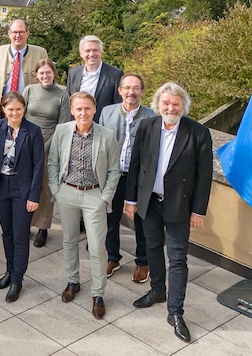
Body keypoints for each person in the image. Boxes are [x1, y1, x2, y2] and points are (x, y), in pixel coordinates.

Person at [126, 82, 212, 343]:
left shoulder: (198, 133)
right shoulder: (147, 126)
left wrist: (198, 211)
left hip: (180, 206)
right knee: (152, 248)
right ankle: (157, 291)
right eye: (166, 103)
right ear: (158, 105)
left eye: (175, 103)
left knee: (177, 259)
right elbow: (136, 163)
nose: (170, 107)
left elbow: (204, 176)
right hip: (149, 202)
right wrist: (131, 200)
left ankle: (175, 312)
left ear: (183, 106)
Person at [48, 92, 120, 319]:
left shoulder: (107, 136)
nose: (83, 113)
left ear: (94, 110)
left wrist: (105, 197)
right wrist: (56, 191)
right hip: (67, 191)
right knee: (69, 240)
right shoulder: (62, 131)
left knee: (97, 247)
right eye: (78, 109)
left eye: (87, 108)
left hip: (94, 195)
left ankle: (98, 294)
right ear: (72, 110)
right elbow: (53, 162)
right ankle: (73, 281)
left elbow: (114, 170)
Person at [0, 91, 44, 303]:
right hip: (1, 187)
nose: (15, 112)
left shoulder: (33, 131)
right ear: (3, 109)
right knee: (7, 233)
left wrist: (34, 195)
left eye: (18, 109)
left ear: (24, 109)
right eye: (10, 109)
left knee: (20, 235)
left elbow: (39, 166)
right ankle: (9, 271)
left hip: (23, 189)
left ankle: (18, 279)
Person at [98, 74, 155, 283]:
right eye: (127, 88)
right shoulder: (107, 112)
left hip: (139, 177)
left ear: (142, 91)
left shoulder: (152, 115)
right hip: (114, 174)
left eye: (136, 88)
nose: (131, 92)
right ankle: (113, 257)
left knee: (141, 220)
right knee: (110, 219)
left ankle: (143, 261)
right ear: (120, 90)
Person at [23, 59, 70, 248]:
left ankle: (43, 227)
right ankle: (25, 222)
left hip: (50, 142)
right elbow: (20, 114)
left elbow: (63, 126)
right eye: (41, 73)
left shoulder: (62, 95)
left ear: (54, 73)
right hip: (27, 139)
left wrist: (45, 147)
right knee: (25, 183)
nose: (45, 76)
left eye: (48, 72)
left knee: (45, 186)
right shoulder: (29, 91)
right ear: (37, 74)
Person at [0, 19, 48, 125]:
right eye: (14, 32)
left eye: (21, 32)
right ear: (9, 34)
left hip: (29, 110)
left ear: (27, 33)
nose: (17, 35)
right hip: (4, 109)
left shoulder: (40, 53)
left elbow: (46, 84)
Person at [67, 35, 123, 121]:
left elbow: (118, 105)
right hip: (77, 125)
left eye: (95, 50)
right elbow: (70, 102)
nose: (91, 54)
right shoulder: (73, 73)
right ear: (81, 54)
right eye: (87, 51)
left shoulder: (115, 74)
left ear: (101, 52)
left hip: (103, 125)